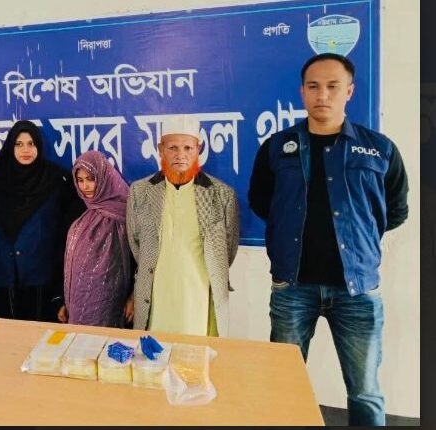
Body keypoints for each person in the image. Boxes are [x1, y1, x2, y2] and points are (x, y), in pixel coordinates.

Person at [247, 53, 409, 426]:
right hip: (292, 288)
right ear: (302, 92)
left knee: (365, 392)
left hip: (357, 291)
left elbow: (394, 211)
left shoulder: (379, 149)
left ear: (349, 91)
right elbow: (262, 201)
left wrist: (357, 236)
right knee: (283, 385)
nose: (323, 95)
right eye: (314, 86)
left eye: (333, 86)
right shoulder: (277, 147)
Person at [126, 114, 239, 337]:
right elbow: (135, 243)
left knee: (198, 351)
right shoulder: (140, 191)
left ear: (198, 149)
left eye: (188, 148)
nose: (180, 155)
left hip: (198, 297)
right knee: (154, 351)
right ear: (160, 149)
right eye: (173, 148)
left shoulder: (222, 195)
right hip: (156, 296)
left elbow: (228, 249)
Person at [0, 120, 84, 322]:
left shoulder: (56, 180)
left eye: (31, 144)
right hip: (3, 274)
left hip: (42, 277)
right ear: (10, 146)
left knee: (40, 336)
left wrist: (62, 285)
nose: (26, 150)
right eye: (19, 144)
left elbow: (69, 229)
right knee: (6, 336)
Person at [57, 150, 134, 327]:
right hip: (77, 303)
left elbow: (139, 260)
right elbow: (68, 260)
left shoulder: (126, 210)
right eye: (80, 180)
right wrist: (64, 301)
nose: (85, 186)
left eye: (91, 179)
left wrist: (133, 297)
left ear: (104, 177)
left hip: (112, 302)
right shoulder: (78, 209)